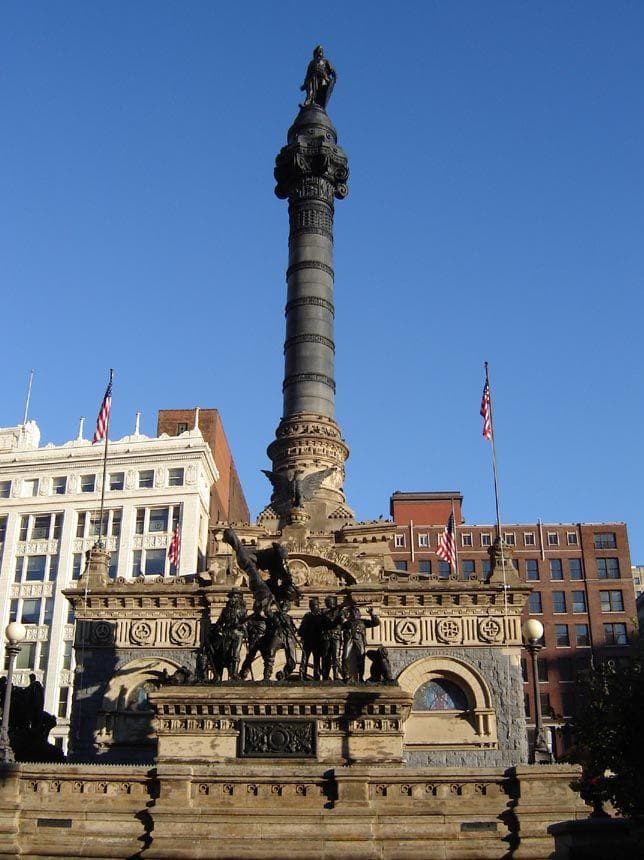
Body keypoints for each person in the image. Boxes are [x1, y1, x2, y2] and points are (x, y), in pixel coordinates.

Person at [341, 604, 380, 683]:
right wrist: (342, 615)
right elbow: (338, 627)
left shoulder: (363, 621)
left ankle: (361, 677)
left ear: (359, 614)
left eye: (356, 612)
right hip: (349, 640)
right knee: (345, 656)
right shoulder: (347, 623)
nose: (355, 614)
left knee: (361, 658)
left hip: (359, 640)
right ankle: (346, 675)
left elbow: (376, 623)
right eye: (353, 612)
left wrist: (371, 614)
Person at [299, 597, 324, 680]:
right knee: (304, 660)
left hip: (317, 641)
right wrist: (302, 636)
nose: (316, 607)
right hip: (308, 641)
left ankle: (316, 677)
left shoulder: (321, 616)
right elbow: (302, 628)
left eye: (316, 605)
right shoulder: (307, 616)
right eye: (314, 605)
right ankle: (302, 677)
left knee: (316, 660)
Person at [321, 596, 343, 680]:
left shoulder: (339, 612)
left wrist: (340, 613)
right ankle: (325, 676)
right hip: (326, 636)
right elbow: (325, 621)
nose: (328, 603)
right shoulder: (324, 612)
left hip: (336, 636)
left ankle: (336, 676)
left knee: (336, 656)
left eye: (329, 602)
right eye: (327, 602)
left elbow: (341, 622)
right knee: (326, 656)